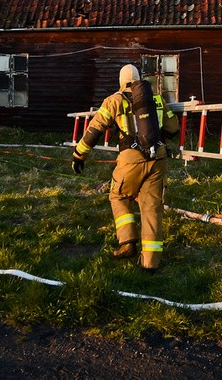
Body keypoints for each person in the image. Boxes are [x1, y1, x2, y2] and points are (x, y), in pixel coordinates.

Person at [71, 64, 179, 271]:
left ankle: (127, 242)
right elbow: (173, 129)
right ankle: (150, 263)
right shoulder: (156, 99)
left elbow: (94, 130)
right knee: (152, 208)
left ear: (121, 81)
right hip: (158, 160)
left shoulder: (114, 100)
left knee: (118, 196)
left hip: (131, 159)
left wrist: (79, 155)